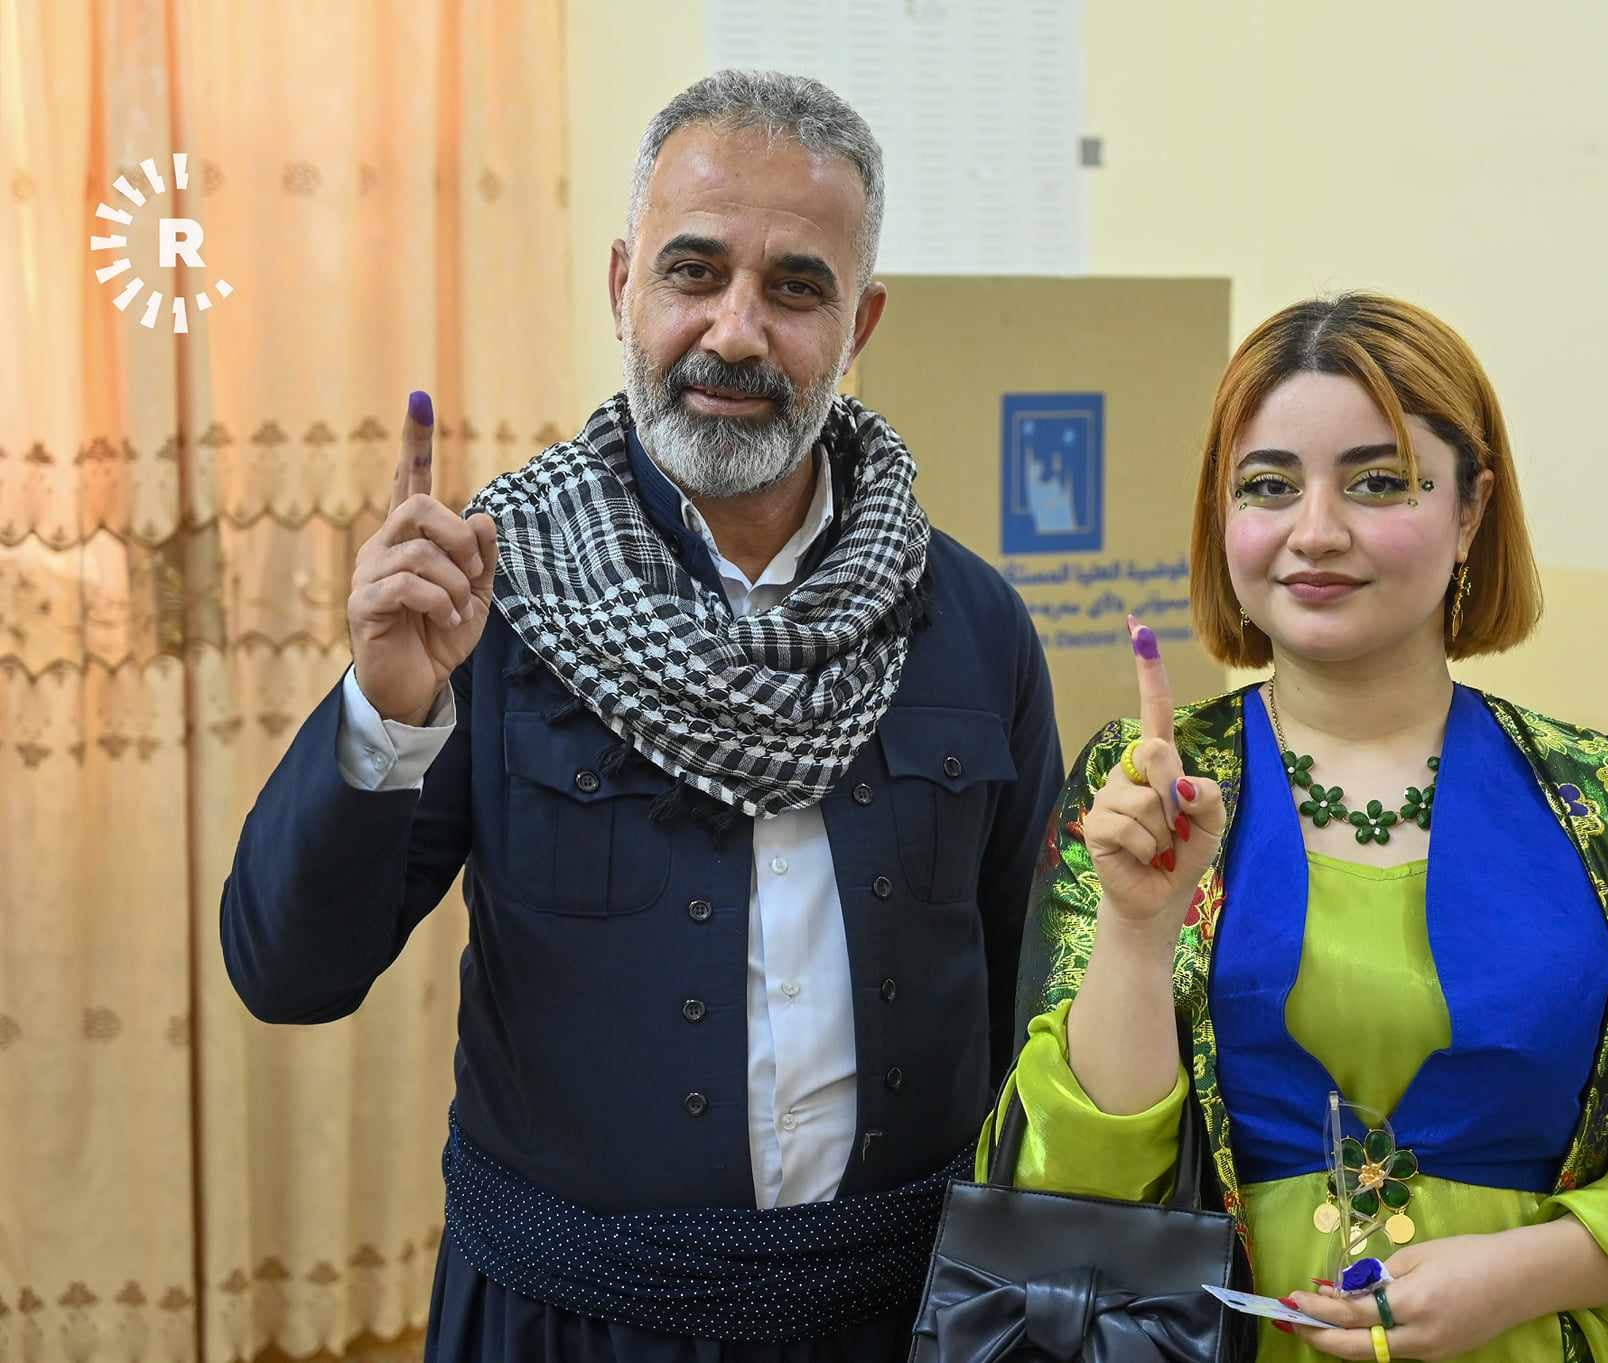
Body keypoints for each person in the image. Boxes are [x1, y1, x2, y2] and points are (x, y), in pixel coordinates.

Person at [220, 70, 1062, 1362]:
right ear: (623, 286)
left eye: (796, 288)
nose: (736, 331)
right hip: (566, 1319)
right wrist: (387, 708)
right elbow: (289, 971)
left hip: (896, 1317)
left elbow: (1031, 1010)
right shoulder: (494, 598)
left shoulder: (970, 623)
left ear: (861, 322)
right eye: (693, 271)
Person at [979, 292, 1608, 1362]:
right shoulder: (1147, 787)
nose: (1315, 531)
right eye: (1268, 485)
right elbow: (1065, 1189)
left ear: (1470, 510)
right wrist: (1140, 930)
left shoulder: (1595, 802)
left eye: (1377, 482)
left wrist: (1526, 1269)